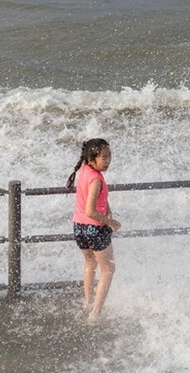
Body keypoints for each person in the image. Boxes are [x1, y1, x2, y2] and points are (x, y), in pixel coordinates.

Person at [66, 138, 121, 324]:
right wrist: (110, 221)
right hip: (95, 228)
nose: (108, 161)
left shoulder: (84, 171)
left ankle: (87, 303)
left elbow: (95, 200)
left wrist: (107, 208)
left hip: (79, 227)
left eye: (109, 156)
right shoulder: (96, 179)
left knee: (90, 264)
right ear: (91, 160)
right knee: (108, 270)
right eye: (103, 157)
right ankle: (95, 314)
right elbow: (91, 210)